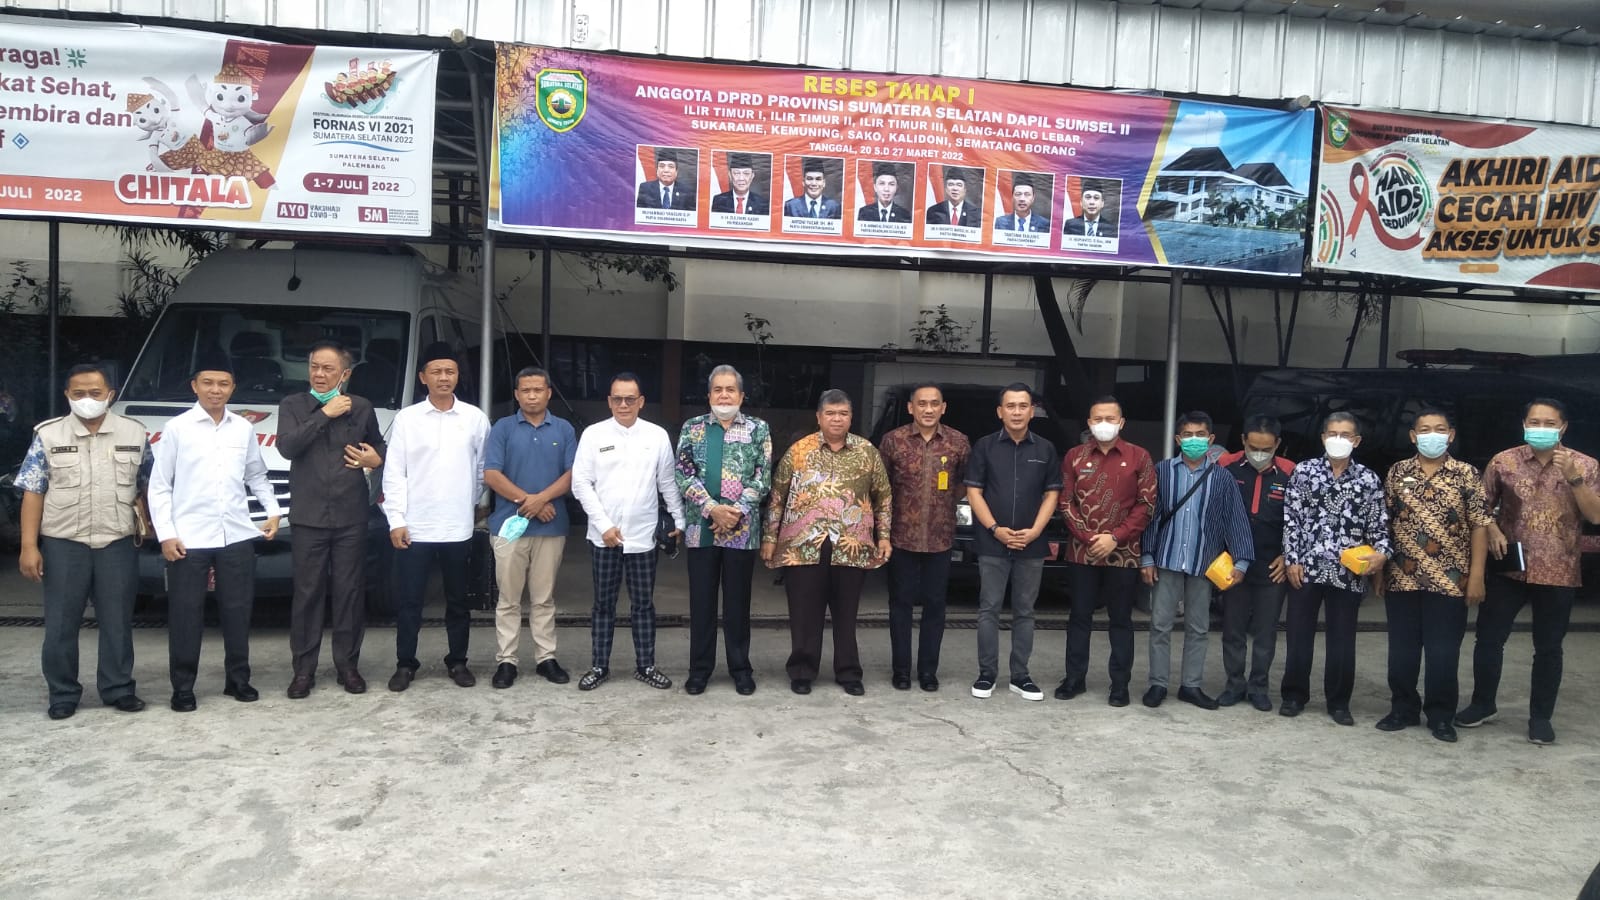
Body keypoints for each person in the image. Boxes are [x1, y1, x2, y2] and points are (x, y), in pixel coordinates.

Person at [1458, 398, 1600, 745]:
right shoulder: (1503, 461)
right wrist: (1492, 529)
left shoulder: (1585, 465)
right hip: (1509, 567)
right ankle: (1483, 704)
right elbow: (1480, 508)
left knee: (1549, 647)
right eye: (1534, 422)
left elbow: (1596, 516)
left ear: (1563, 427)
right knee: (1489, 638)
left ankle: (1540, 717)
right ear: (1524, 425)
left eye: (1549, 423)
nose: (1541, 428)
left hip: (1559, 568)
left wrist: (1575, 479)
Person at [148, 353, 281, 712]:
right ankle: (183, 688)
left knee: (238, 610)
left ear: (233, 388)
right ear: (194, 386)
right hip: (188, 537)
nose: (215, 390)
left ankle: (238, 679)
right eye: (208, 382)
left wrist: (272, 511)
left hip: (235, 533)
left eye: (223, 383)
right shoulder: (177, 428)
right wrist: (166, 534)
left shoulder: (243, 428)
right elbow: (159, 486)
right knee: (185, 613)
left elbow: (256, 474)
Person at [16, 363, 150, 720]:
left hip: (117, 541)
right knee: (61, 623)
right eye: (78, 393)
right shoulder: (48, 435)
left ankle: (118, 688)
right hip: (64, 542)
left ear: (110, 394)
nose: (87, 399)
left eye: (95, 392)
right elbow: (33, 492)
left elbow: (149, 486)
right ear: (67, 395)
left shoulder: (135, 432)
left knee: (117, 620)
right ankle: (62, 693)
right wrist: (29, 546)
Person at [763, 389, 891, 696]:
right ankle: (802, 670)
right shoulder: (799, 450)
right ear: (819, 417)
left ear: (851, 417)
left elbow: (883, 497)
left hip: (851, 546)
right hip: (803, 546)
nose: (837, 419)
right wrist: (769, 537)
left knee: (846, 615)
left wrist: (884, 536)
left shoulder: (867, 452)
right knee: (804, 613)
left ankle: (848, 672)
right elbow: (777, 496)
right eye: (830, 413)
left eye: (843, 413)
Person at [275, 340, 385, 698]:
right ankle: (303, 670)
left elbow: (379, 447)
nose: (319, 374)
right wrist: (325, 413)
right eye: (314, 367)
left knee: (349, 593)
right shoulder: (293, 405)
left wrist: (375, 460)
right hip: (308, 516)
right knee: (307, 594)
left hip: (351, 514)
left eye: (328, 369)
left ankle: (347, 666)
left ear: (345, 374)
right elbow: (287, 447)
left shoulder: (362, 407)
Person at [382, 342, 490, 693]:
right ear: (422, 377)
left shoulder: (474, 418)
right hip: (414, 526)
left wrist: (467, 503)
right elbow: (394, 472)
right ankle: (405, 663)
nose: (444, 377)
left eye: (450, 371)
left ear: (458, 376)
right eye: (437, 371)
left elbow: (482, 469)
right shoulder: (407, 419)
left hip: (458, 527)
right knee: (410, 601)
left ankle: (458, 661)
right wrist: (396, 519)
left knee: (458, 601)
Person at [1378, 408, 1491, 744]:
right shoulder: (1398, 472)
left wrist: (1477, 575)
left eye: (1439, 429)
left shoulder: (1466, 474)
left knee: (1443, 652)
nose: (1432, 435)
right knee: (1402, 650)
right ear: (1413, 436)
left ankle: (1441, 715)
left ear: (1451, 435)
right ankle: (1403, 708)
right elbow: (1384, 522)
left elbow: (1480, 526)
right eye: (1424, 429)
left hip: (1450, 578)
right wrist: (1379, 572)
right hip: (1402, 575)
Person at [570, 372, 685, 691]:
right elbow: (581, 484)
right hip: (604, 538)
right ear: (609, 401)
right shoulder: (593, 435)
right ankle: (599, 666)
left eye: (630, 399)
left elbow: (667, 482)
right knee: (603, 604)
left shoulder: (656, 436)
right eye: (618, 399)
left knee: (643, 604)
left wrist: (679, 520)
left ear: (641, 402)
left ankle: (645, 665)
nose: (624, 404)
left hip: (643, 536)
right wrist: (603, 525)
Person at [1138, 411, 1253, 710]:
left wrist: (1241, 561)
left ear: (1211, 439)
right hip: (1166, 559)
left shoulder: (1222, 477)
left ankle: (1191, 685)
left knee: (1199, 628)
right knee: (1160, 625)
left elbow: (1235, 520)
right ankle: (1158, 684)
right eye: (1188, 435)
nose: (1194, 440)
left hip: (1204, 562)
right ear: (1178, 439)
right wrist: (1146, 556)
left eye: (1200, 435)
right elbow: (1149, 516)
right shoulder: (1161, 472)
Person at [1280, 411, 1390, 725]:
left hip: (1348, 572)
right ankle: (1294, 695)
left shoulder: (1368, 479)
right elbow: (1291, 520)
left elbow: (1379, 526)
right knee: (1298, 635)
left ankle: (1339, 702)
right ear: (1323, 437)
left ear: (1357, 441)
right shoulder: (1304, 471)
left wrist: (1382, 555)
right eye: (1332, 433)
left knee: (1342, 639)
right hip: (1307, 568)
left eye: (1345, 435)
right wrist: (1292, 559)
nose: (1338, 440)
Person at [675, 365, 772, 696]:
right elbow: (683, 473)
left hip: (742, 532)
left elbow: (762, 476)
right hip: (701, 529)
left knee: (737, 604)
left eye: (730, 389)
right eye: (718, 389)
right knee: (701, 603)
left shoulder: (758, 429)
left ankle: (740, 669)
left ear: (741, 396)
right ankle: (699, 670)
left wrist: (735, 512)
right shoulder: (693, 428)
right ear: (709, 395)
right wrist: (712, 508)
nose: (724, 395)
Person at [964, 383, 1060, 702]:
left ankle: (1021, 676)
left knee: (1025, 611)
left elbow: (1052, 494)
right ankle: (986, 674)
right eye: (1010, 406)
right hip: (993, 543)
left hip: (1032, 544)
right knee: (988, 609)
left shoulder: (1045, 449)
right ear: (1000, 411)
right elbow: (974, 492)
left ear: (1032, 411)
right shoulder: (984, 447)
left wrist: (1034, 531)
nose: (1016, 412)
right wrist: (995, 529)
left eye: (1022, 406)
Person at [482, 367, 577, 690]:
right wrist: (530, 501)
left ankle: (545, 658)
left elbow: (573, 474)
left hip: (551, 526)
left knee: (543, 598)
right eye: (526, 390)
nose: (532, 396)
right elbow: (491, 474)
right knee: (508, 599)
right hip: (509, 526)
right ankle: (506, 660)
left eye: (538, 390)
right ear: (516, 394)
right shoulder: (503, 428)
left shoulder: (563, 429)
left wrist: (542, 499)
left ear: (549, 393)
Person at [1057, 396, 1154, 707]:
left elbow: (1146, 504)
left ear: (1121, 422)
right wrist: (1089, 538)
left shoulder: (1139, 457)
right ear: (1089, 422)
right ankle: (1074, 679)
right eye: (1098, 418)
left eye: (1110, 418)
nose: (1104, 424)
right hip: (1081, 552)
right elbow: (1065, 502)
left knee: (1121, 620)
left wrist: (1115, 537)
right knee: (1079, 616)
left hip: (1123, 553)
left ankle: (1120, 685)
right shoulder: (1074, 456)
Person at [878, 383, 970, 692]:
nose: (928, 409)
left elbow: (964, 483)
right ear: (911, 407)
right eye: (922, 403)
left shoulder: (958, 442)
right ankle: (901, 670)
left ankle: (928, 671)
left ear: (943, 407)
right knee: (900, 605)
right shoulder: (893, 441)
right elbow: (881, 487)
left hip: (940, 538)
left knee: (935, 606)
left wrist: (944, 506)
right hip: (901, 537)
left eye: (934, 404)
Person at [1215, 415, 1294, 712]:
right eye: (1253, 447)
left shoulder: (1291, 473)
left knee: (1265, 630)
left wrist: (1288, 555)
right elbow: (1213, 512)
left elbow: (1300, 520)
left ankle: (1259, 687)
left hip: (1272, 565)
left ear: (1277, 445)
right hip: (1233, 563)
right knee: (1232, 627)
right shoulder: (1225, 466)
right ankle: (1234, 685)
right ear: (1243, 441)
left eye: (1266, 449)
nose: (1259, 454)